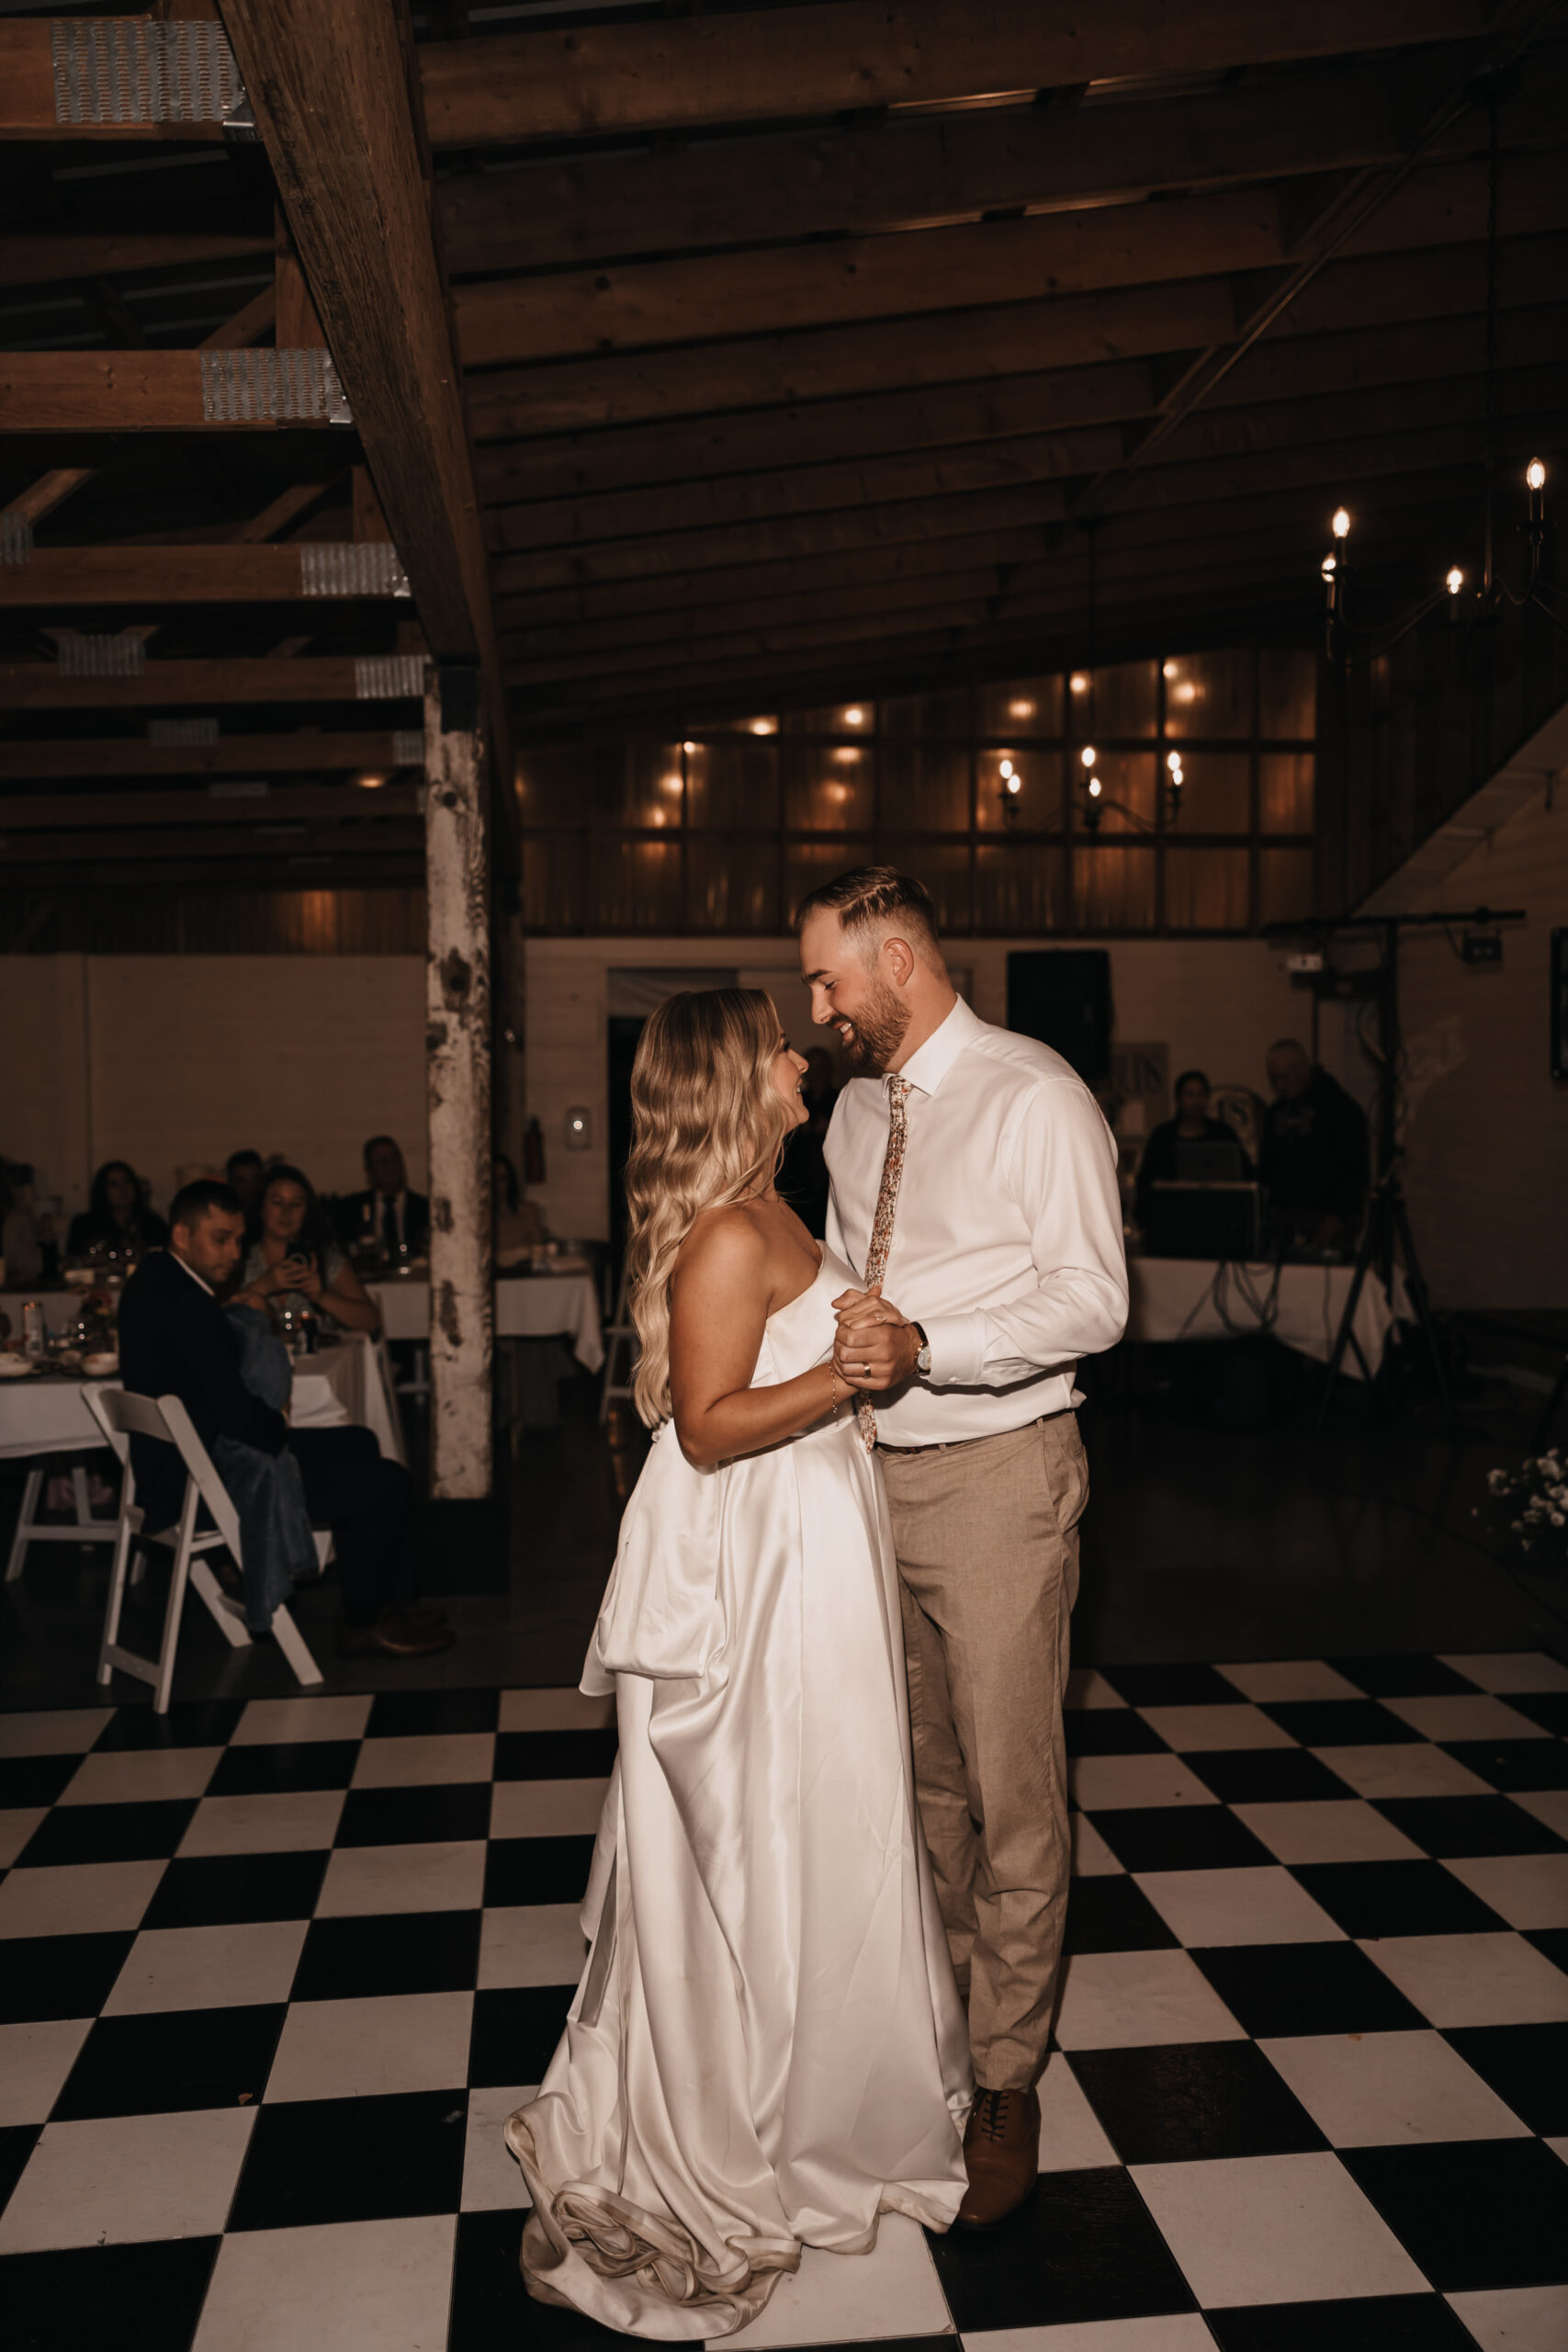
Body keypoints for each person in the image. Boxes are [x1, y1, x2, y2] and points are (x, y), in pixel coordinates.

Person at [508, 990, 969, 2337]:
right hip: (753, 1569)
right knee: (761, 1830)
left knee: (828, 1822)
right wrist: (852, 1369)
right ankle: (752, 2109)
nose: (798, 1056)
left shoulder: (769, 1205)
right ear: (731, 1078)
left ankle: (828, 2088)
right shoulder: (723, 1233)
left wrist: (853, 1370)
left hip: (804, 1546)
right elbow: (707, 1428)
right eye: (775, 1041)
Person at [796, 865, 1128, 2231]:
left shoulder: (1032, 1094)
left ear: (901, 957)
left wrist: (932, 1349)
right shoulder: (855, 1106)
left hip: (1000, 1474)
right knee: (916, 1778)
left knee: (1008, 1788)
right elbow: (835, 1279)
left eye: (828, 980)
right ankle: (936, 2023)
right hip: (872, 1471)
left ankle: (1005, 2074)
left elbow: (1094, 1300)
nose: (817, 1010)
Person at [117, 1179, 449, 1658]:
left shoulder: (155, 1277)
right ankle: (362, 1623)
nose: (233, 1252)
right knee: (387, 1482)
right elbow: (235, 1414)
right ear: (182, 1236)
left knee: (357, 1442)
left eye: (237, 1238)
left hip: (188, 1460)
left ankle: (386, 1602)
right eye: (220, 1239)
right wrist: (278, 1419)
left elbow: (216, 1398)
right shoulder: (189, 1304)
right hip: (202, 1481)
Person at [231, 1163, 381, 1340]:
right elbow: (213, 1319)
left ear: (306, 1212)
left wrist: (321, 1296)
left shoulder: (326, 1258)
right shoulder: (236, 1255)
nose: (286, 1212)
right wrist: (264, 1286)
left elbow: (372, 1323)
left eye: (296, 1204)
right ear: (261, 1208)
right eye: (277, 1202)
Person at [1259, 1037, 1370, 1257]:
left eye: (1283, 1077)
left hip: (1328, 1220)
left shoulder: (1340, 1109)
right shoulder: (1275, 1112)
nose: (1279, 1086)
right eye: (1274, 1079)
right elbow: (1267, 1164)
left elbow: (1355, 1167)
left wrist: (1339, 1216)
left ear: (1302, 1071)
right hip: (1286, 1219)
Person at [1133, 1067, 1253, 1230]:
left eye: (1201, 1094)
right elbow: (1146, 1182)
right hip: (1172, 1222)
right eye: (1189, 1095)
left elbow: (1244, 1175)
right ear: (1179, 1099)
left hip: (1217, 1220)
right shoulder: (1162, 1137)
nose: (1196, 1101)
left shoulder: (1223, 1134)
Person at [336, 1134, 429, 1264]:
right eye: (381, 1160)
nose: (389, 1165)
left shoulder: (424, 1208)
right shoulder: (350, 1209)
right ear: (369, 1169)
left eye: (393, 1158)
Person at [776, 1043, 839, 1238]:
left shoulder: (840, 1099)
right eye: (814, 1067)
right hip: (795, 1184)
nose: (817, 1072)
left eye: (822, 1067)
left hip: (830, 1186)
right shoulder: (795, 1100)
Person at [67, 1159, 168, 1259]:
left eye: (127, 1182)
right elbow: (73, 1259)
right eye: (113, 1184)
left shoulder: (153, 1224)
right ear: (103, 1190)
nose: (122, 1189)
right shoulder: (84, 1226)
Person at [493, 1148, 548, 1263]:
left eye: (502, 1179)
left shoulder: (527, 1212)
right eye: (493, 1180)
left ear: (510, 1181)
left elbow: (539, 1251)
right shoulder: (482, 1221)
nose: (497, 1186)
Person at [225, 1149, 265, 1238]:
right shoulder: (223, 1220)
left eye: (255, 1180)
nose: (249, 1187)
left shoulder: (271, 1221)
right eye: (241, 1181)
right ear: (230, 1182)